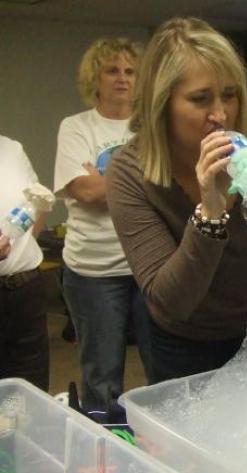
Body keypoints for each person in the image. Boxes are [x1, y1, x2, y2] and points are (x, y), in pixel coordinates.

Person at [105, 17, 247, 383]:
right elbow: (172, 301)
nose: (221, 115)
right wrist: (211, 211)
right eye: (200, 99)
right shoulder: (129, 172)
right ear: (160, 105)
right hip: (182, 337)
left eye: (230, 94)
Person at [53, 37, 153, 414]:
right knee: (101, 378)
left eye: (130, 71)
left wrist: (108, 181)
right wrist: (144, 183)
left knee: (164, 370)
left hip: (150, 266)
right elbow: (86, 191)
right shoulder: (76, 127)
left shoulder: (152, 126)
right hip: (92, 270)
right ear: (95, 77)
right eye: (112, 70)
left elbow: (172, 186)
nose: (122, 78)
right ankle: (103, 455)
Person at [0, 135, 50, 391]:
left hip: (24, 289)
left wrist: (22, 245)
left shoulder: (12, 149)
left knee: (29, 393)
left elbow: (38, 203)